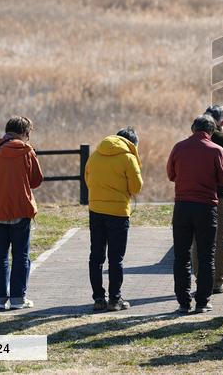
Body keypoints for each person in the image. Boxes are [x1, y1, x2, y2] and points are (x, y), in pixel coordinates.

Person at [166, 114, 223, 313]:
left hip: (182, 206)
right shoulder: (217, 150)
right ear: (211, 131)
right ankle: (203, 301)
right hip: (206, 207)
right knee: (206, 255)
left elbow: (170, 174)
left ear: (193, 128)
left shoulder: (179, 147)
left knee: (181, 256)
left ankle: (183, 302)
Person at [0, 116, 44, 311]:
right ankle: (18, 299)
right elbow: (36, 181)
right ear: (25, 133)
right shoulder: (27, 151)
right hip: (19, 209)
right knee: (21, 255)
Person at [85, 127, 143, 312]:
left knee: (96, 257)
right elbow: (136, 187)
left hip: (96, 210)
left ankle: (98, 299)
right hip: (118, 212)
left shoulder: (95, 155)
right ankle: (115, 299)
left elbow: (88, 179)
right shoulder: (128, 157)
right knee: (115, 258)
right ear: (132, 142)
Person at [190, 105, 223, 295]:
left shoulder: (189, 143)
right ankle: (218, 282)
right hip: (221, 196)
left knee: (198, 240)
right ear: (222, 122)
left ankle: (199, 279)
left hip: (196, 196)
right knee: (221, 240)